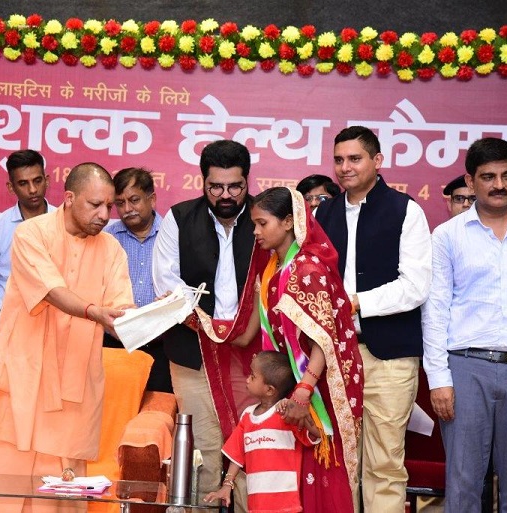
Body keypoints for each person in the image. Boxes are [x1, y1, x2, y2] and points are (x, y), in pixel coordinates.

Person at [0, 163, 134, 513]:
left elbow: (122, 312)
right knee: (1, 490)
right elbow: (52, 291)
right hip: (21, 380)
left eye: (110, 206)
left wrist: (155, 316)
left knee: (63, 497)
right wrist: (94, 311)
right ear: (69, 198)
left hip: (74, 386)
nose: (105, 215)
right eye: (95, 205)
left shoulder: (113, 250)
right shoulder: (32, 234)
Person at [423, 137, 507, 513]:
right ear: (471, 180)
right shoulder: (448, 235)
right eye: (488, 177)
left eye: (506, 176)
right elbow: (436, 310)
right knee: (464, 481)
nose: (499, 185)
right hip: (466, 368)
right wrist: (439, 379)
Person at [315, 126, 432, 513]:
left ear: (377, 161)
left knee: (384, 463)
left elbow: (415, 286)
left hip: (390, 357)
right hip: (335, 357)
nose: (345, 167)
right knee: (339, 461)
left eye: (355, 158)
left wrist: (356, 303)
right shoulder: (323, 212)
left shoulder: (406, 210)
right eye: (339, 160)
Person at [230, 186, 363, 511]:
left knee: (321, 481)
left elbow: (324, 339)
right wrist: (194, 317)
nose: (256, 232)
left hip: (318, 396)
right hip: (292, 394)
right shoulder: (273, 269)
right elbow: (246, 334)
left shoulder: (307, 270)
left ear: (288, 221)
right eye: (254, 224)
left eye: (262, 223)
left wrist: (304, 391)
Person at [153, 139, 268, 512]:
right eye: (215, 187)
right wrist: (208, 326)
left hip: (251, 354)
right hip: (193, 349)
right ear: (202, 182)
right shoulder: (180, 217)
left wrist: (240, 329)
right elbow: (166, 284)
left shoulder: (266, 221)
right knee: (203, 449)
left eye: (235, 186)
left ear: (248, 182)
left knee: (253, 445)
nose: (225, 195)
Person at [204, 351, 320, 512]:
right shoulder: (247, 416)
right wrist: (227, 485)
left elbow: (317, 434)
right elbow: (237, 455)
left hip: (286, 507)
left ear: (270, 390)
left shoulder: (285, 414)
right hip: (256, 506)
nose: (247, 379)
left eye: (252, 376)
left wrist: (297, 408)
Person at [104, 166, 172, 392]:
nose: (127, 209)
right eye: (120, 203)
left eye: (134, 200)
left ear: (152, 199)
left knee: (156, 415)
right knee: (113, 413)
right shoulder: (107, 239)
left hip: (161, 347)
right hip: (114, 344)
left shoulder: (174, 237)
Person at [0, 149, 53, 360]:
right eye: (23, 183)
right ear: (11, 187)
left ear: (47, 180)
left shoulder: (64, 223)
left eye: (37, 180)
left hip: (52, 319)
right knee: (0, 388)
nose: (33, 189)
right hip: (6, 317)